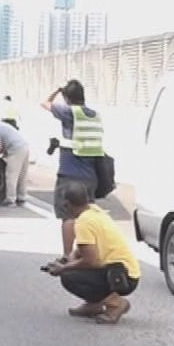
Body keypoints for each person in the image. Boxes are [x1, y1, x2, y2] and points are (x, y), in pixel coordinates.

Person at [42, 180, 140, 323]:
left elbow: (91, 261)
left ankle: (116, 304)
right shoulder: (93, 211)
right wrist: (70, 257)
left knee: (69, 277)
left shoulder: (83, 222)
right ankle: (95, 305)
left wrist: (63, 268)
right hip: (126, 271)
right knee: (73, 269)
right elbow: (87, 247)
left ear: (67, 204)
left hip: (121, 277)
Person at [42, 79, 106, 256]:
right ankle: (89, 255)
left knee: (68, 217)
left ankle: (67, 256)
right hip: (91, 176)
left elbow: (45, 103)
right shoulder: (94, 115)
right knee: (88, 217)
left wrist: (57, 90)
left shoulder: (69, 112)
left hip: (70, 174)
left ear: (67, 98)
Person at [0, 114, 31, 206]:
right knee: (22, 175)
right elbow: (3, 144)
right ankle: (22, 198)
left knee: (11, 175)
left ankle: (10, 200)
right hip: (24, 146)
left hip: (16, 148)